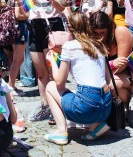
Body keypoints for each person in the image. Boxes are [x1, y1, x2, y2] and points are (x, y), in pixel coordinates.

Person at [14, 0, 67, 122]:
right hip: (36, 27)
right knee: (41, 72)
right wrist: (19, 2)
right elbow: (24, 14)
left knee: (55, 71)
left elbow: (62, 8)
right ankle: (45, 105)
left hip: (53, 25)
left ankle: (57, 106)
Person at [45, 12, 112, 145]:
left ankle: (61, 131)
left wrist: (52, 61)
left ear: (69, 29)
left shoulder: (69, 46)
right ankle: (95, 127)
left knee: (50, 86)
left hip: (87, 105)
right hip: (106, 105)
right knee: (90, 92)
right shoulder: (99, 45)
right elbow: (108, 80)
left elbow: (59, 82)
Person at [89, 11, 133, 105]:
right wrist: (112, 64)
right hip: (109, 75)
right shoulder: (92, 38)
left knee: (111, 85)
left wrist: (105, 68)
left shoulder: (120, 31)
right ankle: (117, 114)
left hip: (132, 75)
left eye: (102, 33)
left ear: (108, 28)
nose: (100, 37)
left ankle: (127, 110)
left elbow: (121, 66)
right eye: (96, 33)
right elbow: (90, 67)